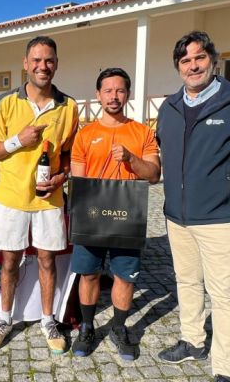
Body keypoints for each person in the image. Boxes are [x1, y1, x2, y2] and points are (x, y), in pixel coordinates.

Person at [0, 36, 79, 354]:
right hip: (11, 196)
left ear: (56, 64)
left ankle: (49, 320)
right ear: (25, 64)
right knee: (10, 261)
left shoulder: (68, 107)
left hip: (49, 199)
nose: (43, 66)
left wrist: (62, 176)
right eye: (36, 60)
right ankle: (4, 319)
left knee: (48, 260)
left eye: (49, 60)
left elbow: (69, 154)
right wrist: (18, 140)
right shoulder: (7, 102)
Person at [70, 68, 161, 358]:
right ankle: (87, 327)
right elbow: (79, 181)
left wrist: (132, 158)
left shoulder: (143, 132)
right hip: (92, 216)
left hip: (127, 216)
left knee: (125, 277)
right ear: (98, 95)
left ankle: (119, 328)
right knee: (89, 275)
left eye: (120, 90)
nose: (114, 96)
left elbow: (154, 175)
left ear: (128, 94)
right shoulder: (85, 134)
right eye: (107, 90)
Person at [156, 31, 230, 382]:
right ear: (178, 67)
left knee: (223, 294)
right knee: (186, 281)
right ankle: (193, 341)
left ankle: (225, 366)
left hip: (219, 216)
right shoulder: (169, 107)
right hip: (177, 215)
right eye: (185, 60)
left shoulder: (228, 101)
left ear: (212, 59)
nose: (193, 65)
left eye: (199, 57)